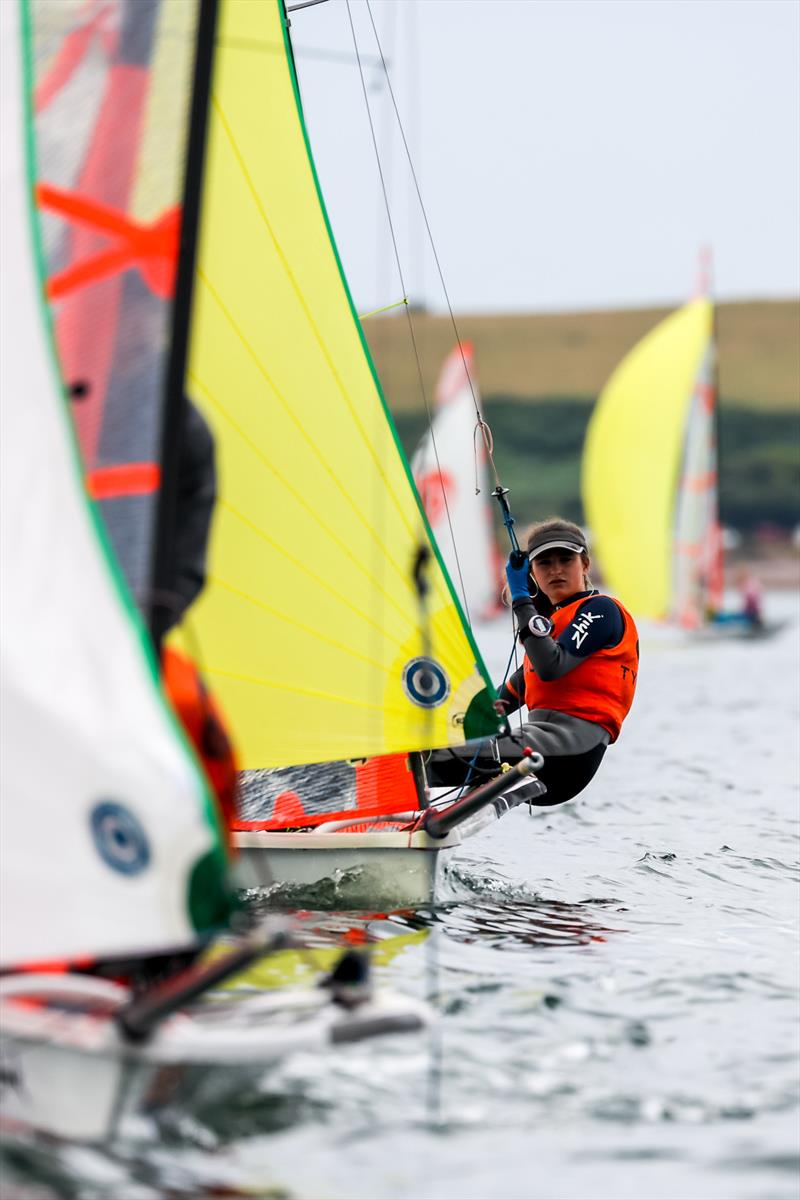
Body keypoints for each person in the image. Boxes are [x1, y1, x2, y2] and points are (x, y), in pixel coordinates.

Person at [427, 517, 639, 806]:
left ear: (585, 565)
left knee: (436, 756)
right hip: (539, 746)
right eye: (544, 564)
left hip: (568, 754)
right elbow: (500, 703)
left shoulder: (601, 610)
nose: (556, 570)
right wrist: (433, 718)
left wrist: (521, 598)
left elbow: (552, 667)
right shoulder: (551, 630)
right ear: (533, 572)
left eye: (566, 560)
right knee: (427, 747)